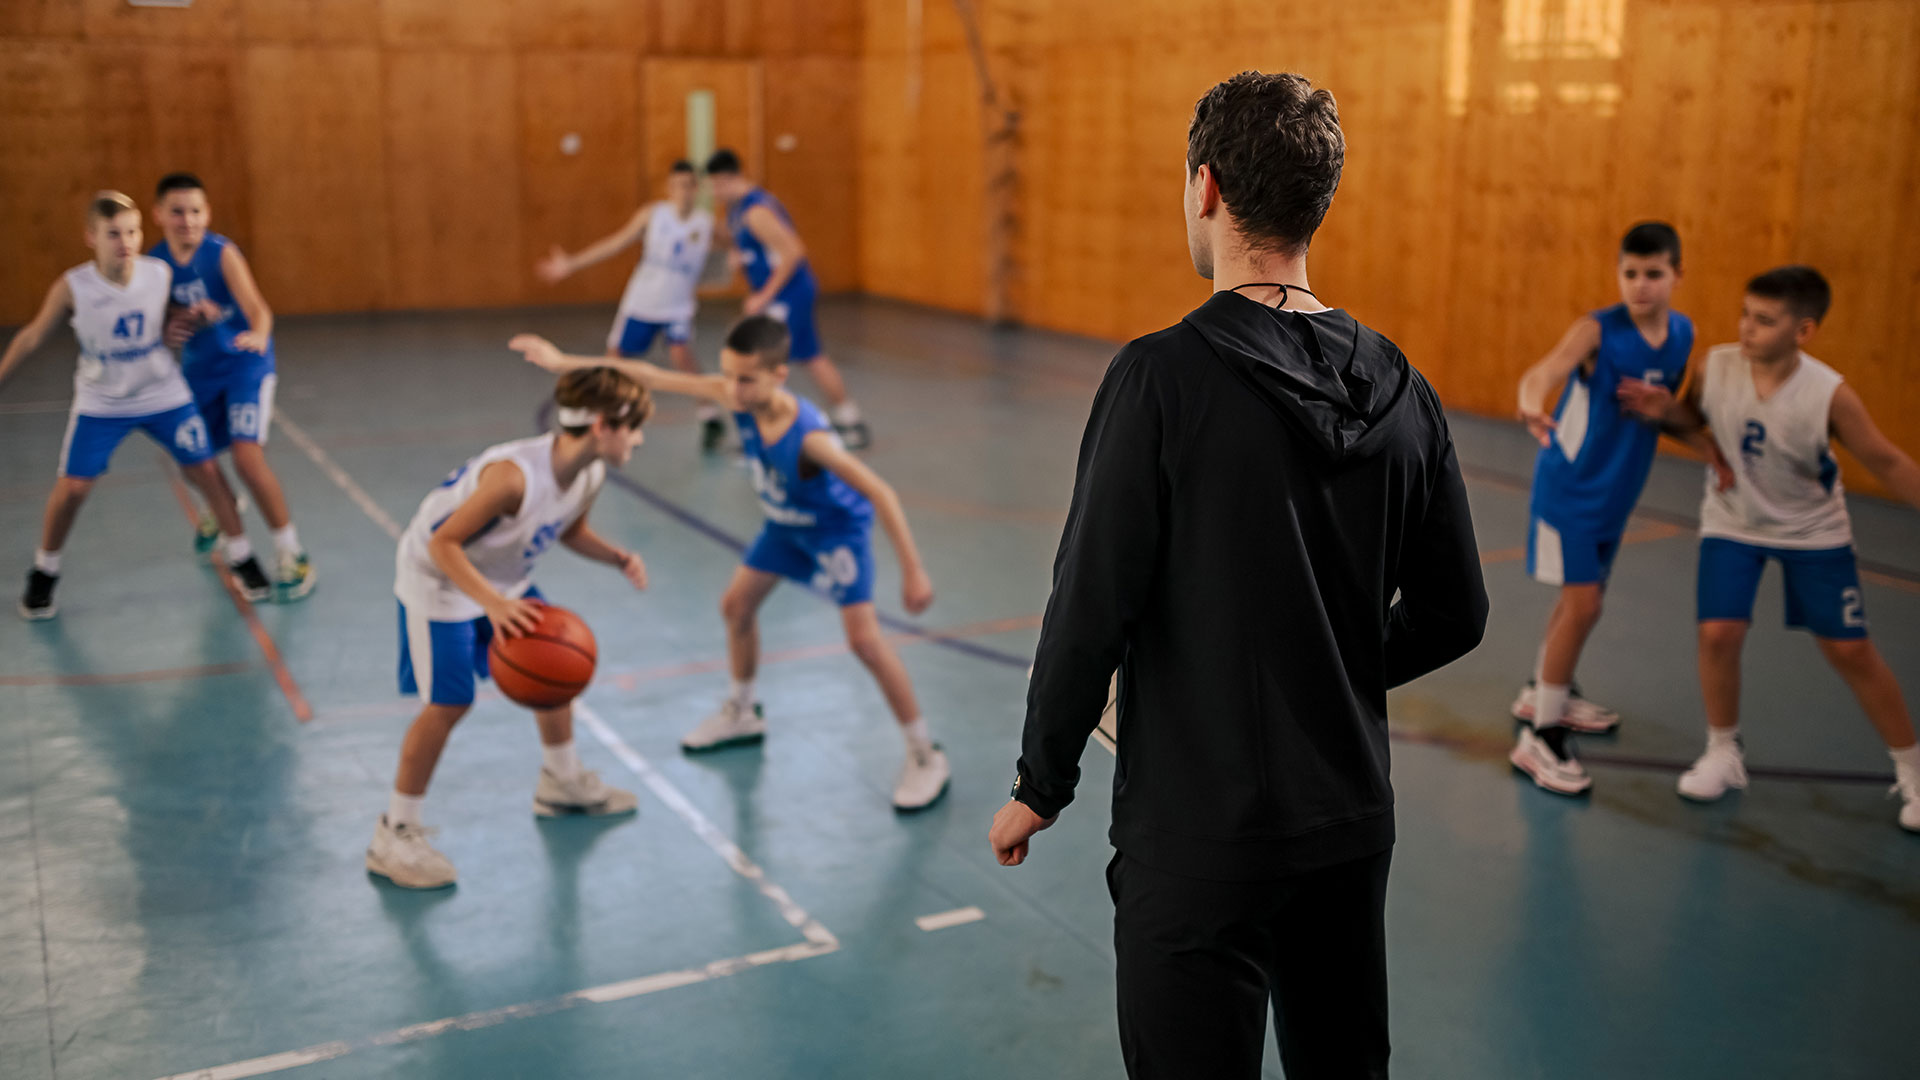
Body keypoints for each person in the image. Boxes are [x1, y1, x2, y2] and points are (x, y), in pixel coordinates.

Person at [986, 71, 1487, 1079]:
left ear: (1206, 188)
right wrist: (1329, 677)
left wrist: (1041, 783)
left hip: (1199, 830)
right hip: (1350, 820)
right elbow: (1455, 610)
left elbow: (1091, 603)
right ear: (1320, 202)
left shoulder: (1160, 378)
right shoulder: (1402, 387)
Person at [510, 316, 949, 811]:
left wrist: (913, 571)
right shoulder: (734, 397)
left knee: (865, 642)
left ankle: (923, 752)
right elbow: (647, 375)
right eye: (729, 376)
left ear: (778, 376)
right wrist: (563, 362)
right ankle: (742, 711)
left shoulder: (809, 438)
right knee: (736, 607)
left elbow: (881, 493)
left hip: (833, 533)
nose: (733, 390)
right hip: (785, 526)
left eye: (746, 379)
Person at [1619, 266, 1920, 831]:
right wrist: (1665, 410)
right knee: (1718, 634)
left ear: (1802, 331)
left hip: (1812, 530)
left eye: (1764, 320)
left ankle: (1913, 770)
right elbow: (1694, 415)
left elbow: (1886, 461)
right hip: (1733, 520)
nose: (1747, 328)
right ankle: (1723, 753)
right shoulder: (1717, 364)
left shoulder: (1829, 394)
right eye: (1745, 315)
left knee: (1850, 651)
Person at [368, 367, 652, 889]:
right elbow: (442, 544)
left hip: (502, 579)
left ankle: (562, 782)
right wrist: (494, 606)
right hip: (441, 580)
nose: (638, 437)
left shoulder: (588, 472)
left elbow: (571, 528)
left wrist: (617, 557)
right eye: (632, 427)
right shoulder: (512, 478)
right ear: (602, 425)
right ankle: (395, 833)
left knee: (555, 656)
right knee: (449, 703)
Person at [1, 191, 264, 619]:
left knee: (208, 471)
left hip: (162, 392)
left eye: (132, 232)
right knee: (73, 490)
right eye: (113, 234)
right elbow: (31, 336)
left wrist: (191, 318)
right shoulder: (74, 286)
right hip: (102, 399)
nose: (125, 241)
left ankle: (242, 556)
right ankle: (44, 572)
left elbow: (175, 313)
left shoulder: (158, 273)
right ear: (91, 237)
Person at [1508, 222, 1695, 795]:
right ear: (1619, 274)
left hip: (1618, 493)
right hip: (1572, 492)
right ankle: (1540, 739)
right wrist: (1530, 402)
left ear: (1676, 276)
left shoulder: (1682, 335)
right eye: (1630, 273)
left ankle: (1546, 691)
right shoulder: (1597, 331)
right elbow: (1546, 369)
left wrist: (1666, 410)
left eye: (1654, 274)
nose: (1640, 285)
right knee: (1584, 607)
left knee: (1579, 603)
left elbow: (1680, 418)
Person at [149, 172, 315, 601]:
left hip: (245, 365)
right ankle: (217, 505)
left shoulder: (221, 254)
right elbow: (160, 323)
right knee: (190, 459)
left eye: (196, 211)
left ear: (207, 214)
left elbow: (258, 309)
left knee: (246, 458)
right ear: (159, 215)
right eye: (178, 212)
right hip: (198, 372)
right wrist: (172, 327)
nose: (188, 220)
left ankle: (291, 552)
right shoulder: (155, 265)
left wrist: (258, 334)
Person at [536, 160, 724, 451]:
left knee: (682, 357)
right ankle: (609, 415)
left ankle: (709, 415)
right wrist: (571, 264)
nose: (683, 191)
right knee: (616, 362)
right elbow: (615, 243)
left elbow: (738, 247)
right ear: (669, 188)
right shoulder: (654, 215)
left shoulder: (706, 224)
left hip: (677, 307)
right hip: (642, 302)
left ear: (697, 188)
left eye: (689, 185)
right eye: (678, 185)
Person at [704, 149, 870, 449]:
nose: (714, 193)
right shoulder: (737, 209)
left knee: (762, 362)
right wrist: (733, 251)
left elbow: (793, 251)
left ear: (730, 179)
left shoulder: (756, 210)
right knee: (811, 355)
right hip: (784, 294)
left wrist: (763, 296)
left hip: (788, 294)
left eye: (716, 185)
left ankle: (768, 432)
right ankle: (849, 418)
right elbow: (742, 239)